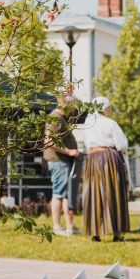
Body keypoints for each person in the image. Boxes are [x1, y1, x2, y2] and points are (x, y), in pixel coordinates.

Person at [81, 97, 130, 242]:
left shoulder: (87, 124)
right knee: (113, 192)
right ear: (105, 108)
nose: (111, 110)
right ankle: (117, 233)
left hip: (92, 159)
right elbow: (122, 145)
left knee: (93, 194)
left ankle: (95, 233)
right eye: (109, 107)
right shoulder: (111, 123)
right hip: (109, 158)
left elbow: (86, 143)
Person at [43, 94, 80, 236]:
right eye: (72, 107)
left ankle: (70, 226)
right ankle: (57, 227)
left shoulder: (62, 118)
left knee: (65, 194)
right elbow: (49, 142)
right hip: (59, 161)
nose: (73, 110)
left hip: (64, 161)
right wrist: (69, 151)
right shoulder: (55, 118)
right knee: (58, 194)